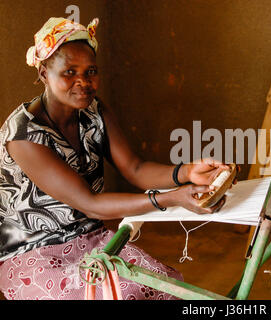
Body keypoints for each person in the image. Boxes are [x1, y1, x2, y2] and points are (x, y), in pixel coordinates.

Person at [0, 17, 234, 300]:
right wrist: (173, 198)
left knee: (166, 287)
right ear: (43, 73)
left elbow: (135, 169)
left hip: (91, 240)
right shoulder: (24, 136)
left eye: (91, 71)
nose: (83, 83)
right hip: (33, 256)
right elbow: (90, 204)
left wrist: (187, 172)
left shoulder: (93, 111)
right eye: (69, 72)